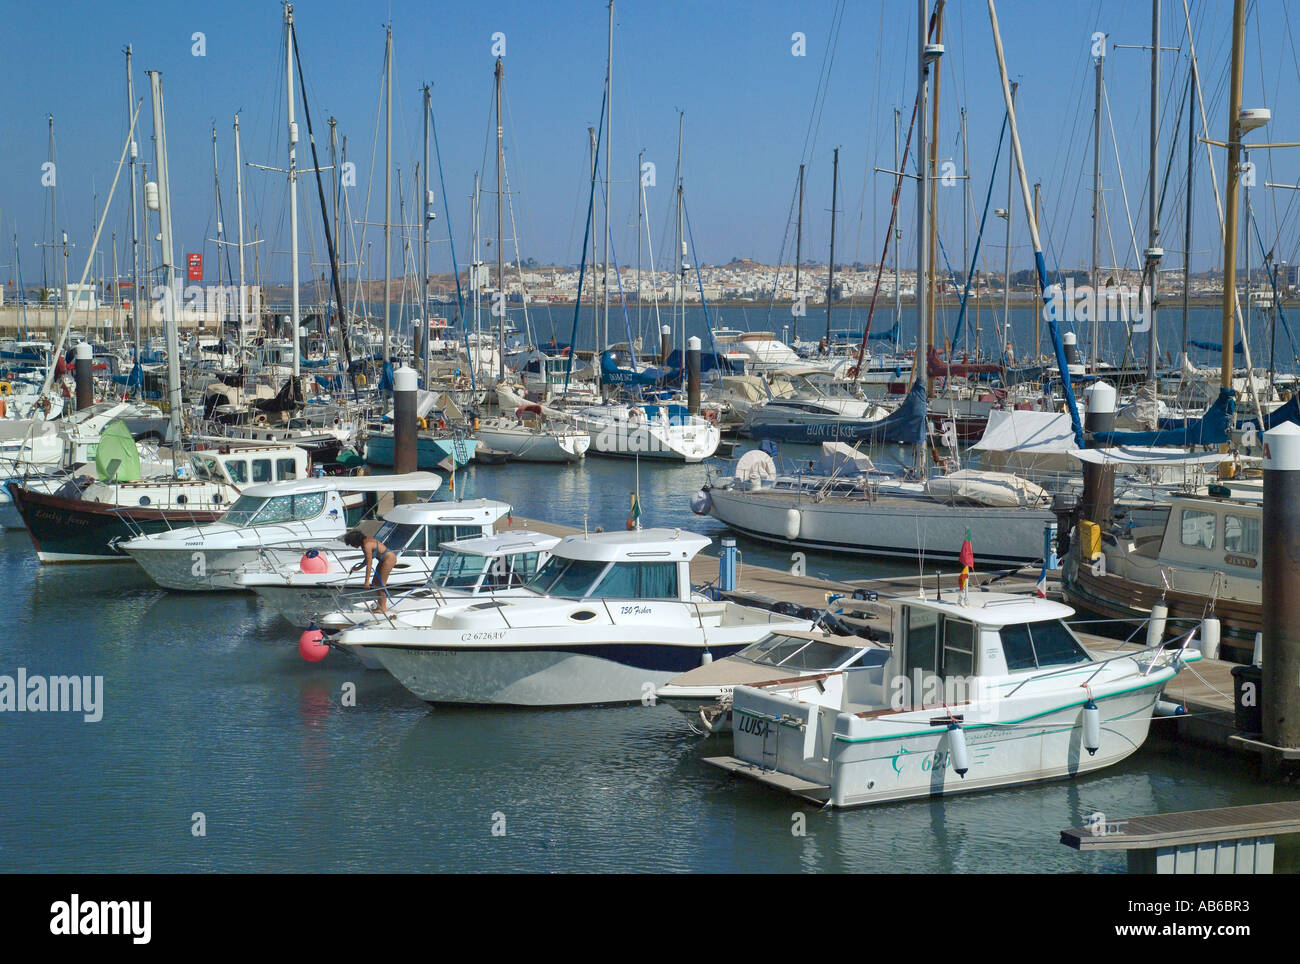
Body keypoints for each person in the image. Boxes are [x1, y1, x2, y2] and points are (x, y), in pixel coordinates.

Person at [343, 529, 398, 614]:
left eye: (351, 544)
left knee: (380, 584)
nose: (352, 546)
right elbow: (367, 560)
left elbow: (369, 564)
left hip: (389, 559)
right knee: (376, 583)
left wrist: (366, 582)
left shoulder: (366, 545)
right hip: (384, 559)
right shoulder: (365, 542)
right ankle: (380, 606)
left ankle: (382, 608)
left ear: (355, 541)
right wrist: (357, 568)